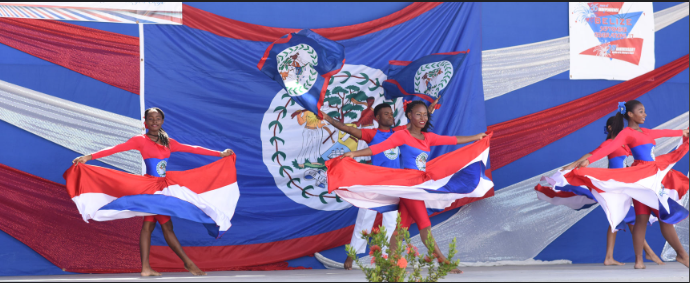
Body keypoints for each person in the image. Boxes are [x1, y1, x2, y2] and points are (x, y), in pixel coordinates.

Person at [71, 107, 235, 276]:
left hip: (163, 186)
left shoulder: (168, 142)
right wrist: (89, 157)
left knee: (148, 226)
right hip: (150, 189)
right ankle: (188, 263)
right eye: (151, 119)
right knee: (166, 226)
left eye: (157, 119)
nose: (154, 121)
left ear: (162, 121)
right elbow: (115, 149)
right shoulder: (139, 140)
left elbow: (193, 149)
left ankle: (146, 268)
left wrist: (220, 154)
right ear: (145, 122)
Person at [336, 100, 488, 274]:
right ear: (409, 116)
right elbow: (378, 148)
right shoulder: (402, 136)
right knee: (425, 224)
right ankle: (443, 261)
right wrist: (354, 153)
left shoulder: (428, 137)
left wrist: (476, 137)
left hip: (419, 185)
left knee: (401, 228)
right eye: (418, 114)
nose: (422, 118)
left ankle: (391, 263)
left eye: (425, 114)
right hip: (409, 186)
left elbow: (453, 140)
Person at [566, 100, 689, 269]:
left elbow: (663, 132)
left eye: (644, 111)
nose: (644, 114)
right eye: (641, 111)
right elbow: (607, 149)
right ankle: (682, 255)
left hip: (646, 175)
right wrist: (588, 160)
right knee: (663, 215)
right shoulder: (627, 133)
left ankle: (639, 261)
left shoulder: (645, 132)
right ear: (630, 114)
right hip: (644, 177)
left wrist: (682, 132)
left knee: (641, 218)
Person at [537, 116, 663, 266]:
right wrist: (574, 164)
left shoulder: (623, 144)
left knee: (617, 219)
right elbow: (592, 154)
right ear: (610, 128)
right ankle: (647, 252)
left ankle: (612, 257)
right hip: (614, 185)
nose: (621, 129)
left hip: (622, 184)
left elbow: (634, 154)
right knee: (625, 218)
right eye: (618, 126)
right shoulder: (609, 143)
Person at [321, 103, 405, 270]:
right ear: (377, 118)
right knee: (365, 219)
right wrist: (327, 118)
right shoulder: (372, 134)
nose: (390, 116)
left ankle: (386, 257)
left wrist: (429, 112)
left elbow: (415, 125)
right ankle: (351, 256)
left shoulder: (398, 133)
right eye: (386, 114)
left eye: (391, 114)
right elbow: (348, 129)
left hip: (394, 184)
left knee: (391, 221)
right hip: (374, 182)